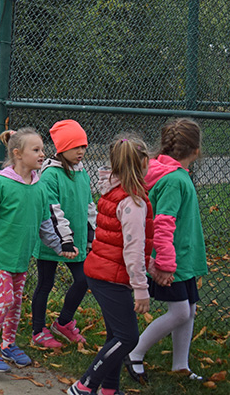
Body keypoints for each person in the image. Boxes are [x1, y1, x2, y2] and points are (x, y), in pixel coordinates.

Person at [0, 128, 77, 372]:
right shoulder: (2, 181)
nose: (42, 155)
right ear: (18, 154)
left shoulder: (39, 187)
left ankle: (8, 344)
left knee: (16, 302)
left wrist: (60, 247)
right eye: (36, 150)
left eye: (42, 149)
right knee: (6, 298)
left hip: (20, 256)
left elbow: (44, 224)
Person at [68, 136, 153, 395]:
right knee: (128, 338)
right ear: (145, 163)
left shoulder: (114, 191)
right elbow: (133, 249)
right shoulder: (133, 202)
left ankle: (109, 389)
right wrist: (141, 288)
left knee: (115, 334)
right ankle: (84, 386)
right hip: (112, 277)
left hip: (102, 271)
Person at [125, 119, 207, 384]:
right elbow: (163, 222)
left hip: (183, 257)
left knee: (189, 309)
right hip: (172, 260)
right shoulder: (173, 180)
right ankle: (134, 352)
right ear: (196, 150)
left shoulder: (172, 174)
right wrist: (164, 263)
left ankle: (180, 365)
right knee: (180, 312)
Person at [31, 120, 97, 348]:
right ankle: (38, 330)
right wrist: (63, 241)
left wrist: (91, 234)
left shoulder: (82, 173)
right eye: (76, 146)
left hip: (76, 241)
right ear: (62, 148)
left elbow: (89, 205)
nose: (81, 151)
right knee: (45, 284)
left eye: (84, 146)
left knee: (84, 279)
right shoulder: (50, 175)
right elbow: (52, 209)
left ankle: (63, 323)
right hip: (52, 241)